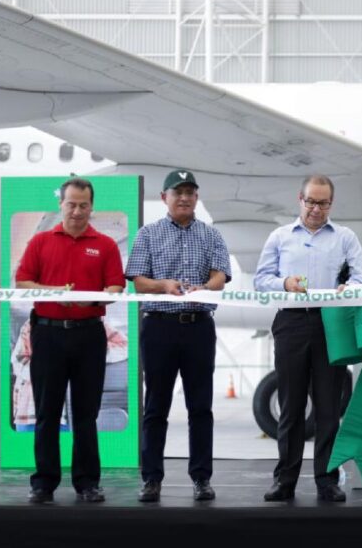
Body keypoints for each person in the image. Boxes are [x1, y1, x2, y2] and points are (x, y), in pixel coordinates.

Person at [254, 175, 362, 502]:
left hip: (330, 324)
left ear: (331, 204)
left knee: (328, 407)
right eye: (311, 202)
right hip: (291, 322)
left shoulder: (345, 237)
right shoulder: (280, 237)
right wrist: (284, 284)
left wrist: (352, 287)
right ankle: (285, 480)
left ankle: (327, 480)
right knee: (291, 407)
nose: (316, 209)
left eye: (323, 203)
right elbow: (261, 280)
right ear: (300, 199)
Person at [15, 177, 125, 504]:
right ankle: (43, 483)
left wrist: (95, 297)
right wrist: (54, 293)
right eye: (71, 204)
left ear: (92, 206)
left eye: (83, 205)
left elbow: (116, 287)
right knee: (47, 412)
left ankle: (87, 482)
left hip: (89, 334)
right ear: (60, 204)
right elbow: (22, 282)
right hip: (48, 333)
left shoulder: (105, 245)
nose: (77, 211)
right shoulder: (40, 242)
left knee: (86, 414)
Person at [126, 169, 231, 503]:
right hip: (159, 326)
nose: (184, 198)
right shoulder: (148, 234)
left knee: (200, 407)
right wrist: (164, 285)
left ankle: (201, 478)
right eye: (177, 192)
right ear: (164, 198)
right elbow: (139, 281)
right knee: (156, 406)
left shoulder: (211, 235)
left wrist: (205, 288)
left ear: (197, 197)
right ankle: (151, 479)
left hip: (198, 326)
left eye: (189, 192)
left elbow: (220, 276)